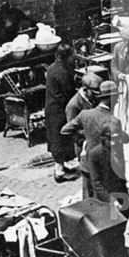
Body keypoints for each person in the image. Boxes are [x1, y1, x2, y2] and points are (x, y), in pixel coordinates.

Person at [62, 80, 129, 202]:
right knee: (110, 203)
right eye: (116, 98)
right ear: (110, 99)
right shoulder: (112, 121)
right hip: (106, 169)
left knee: (89, 202)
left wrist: (83, 139)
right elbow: (126, 140)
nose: (117, 101)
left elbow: (65, 130)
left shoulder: (85, 114)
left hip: (87, 164)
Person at [65, 72, 101, 196]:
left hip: (96, 144)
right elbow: (71, 131)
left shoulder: (92, 99)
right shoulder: (74, 105)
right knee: (88, 182)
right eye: (94, 93)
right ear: (86, 90)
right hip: (84, 147)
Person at [45, 43, 77, 183]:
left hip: (53, 108)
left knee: (61, 138)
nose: (73, 59)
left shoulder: (53, 67)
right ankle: (59, 173)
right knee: (59, 139)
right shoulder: (62, 72)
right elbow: (67, 91)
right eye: (72, 56)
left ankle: (62, 166)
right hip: (58, 109)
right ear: (66, 57)